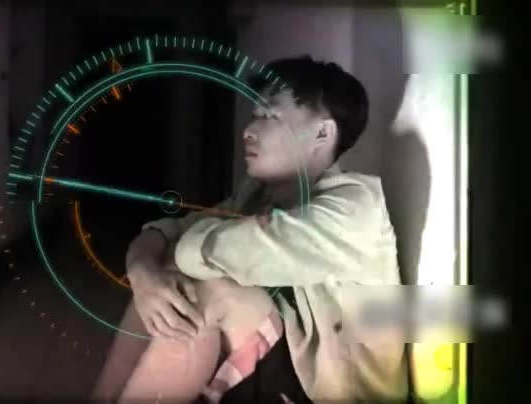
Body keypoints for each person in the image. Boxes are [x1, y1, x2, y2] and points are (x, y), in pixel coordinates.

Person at [91, 56, 409, 403]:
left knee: (201, 292)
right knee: (164, 282)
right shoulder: (260, 194)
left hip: (333, 392)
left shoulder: (354, 208)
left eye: (269, 116)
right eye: (254, 115)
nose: (249, 131)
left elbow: (193, 248)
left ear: (322, 133)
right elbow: (169, 231)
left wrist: (178, 250)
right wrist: (142, 273)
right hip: (287, 365)